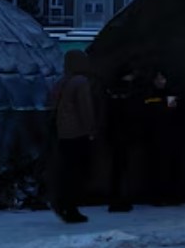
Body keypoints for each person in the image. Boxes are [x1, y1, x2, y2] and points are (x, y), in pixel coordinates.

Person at [49, 49, 96, 224]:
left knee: (65, 171)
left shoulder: (62, 81)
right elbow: (85, 107)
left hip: (62, 133)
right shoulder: (81, 82)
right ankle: (71, 209)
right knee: (77, 172)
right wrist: (91, 129)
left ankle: (62, 204)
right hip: (78, 133)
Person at [140, 69, 182, 205]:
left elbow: (173, 112)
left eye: (162, 78)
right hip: (153, 136)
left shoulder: (171, 94)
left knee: (170, 166)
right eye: (157, 79)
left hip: (169, 136)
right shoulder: (149, 94)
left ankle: (171, 195)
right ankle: (156, 195)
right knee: (154, 167)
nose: (160, 81)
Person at [104, 63, 142, 213]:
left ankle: (117, 199)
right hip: (123, 133)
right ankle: (121, 199)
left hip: (116, 134)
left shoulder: (112, 91)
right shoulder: (127, 91)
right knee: (123, 168)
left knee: (117, 168)